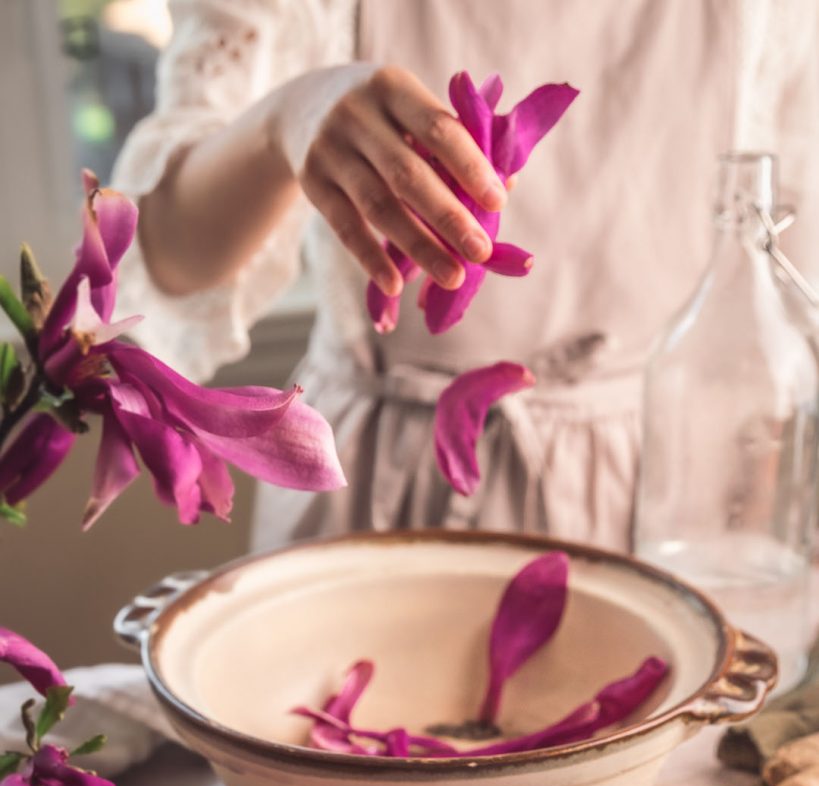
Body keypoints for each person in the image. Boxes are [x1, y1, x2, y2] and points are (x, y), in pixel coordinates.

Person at [112, 0, 819, 553]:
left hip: (663, 503)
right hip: (371, 501)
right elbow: (169, 259)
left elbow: (792, 297)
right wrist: (282, 121)